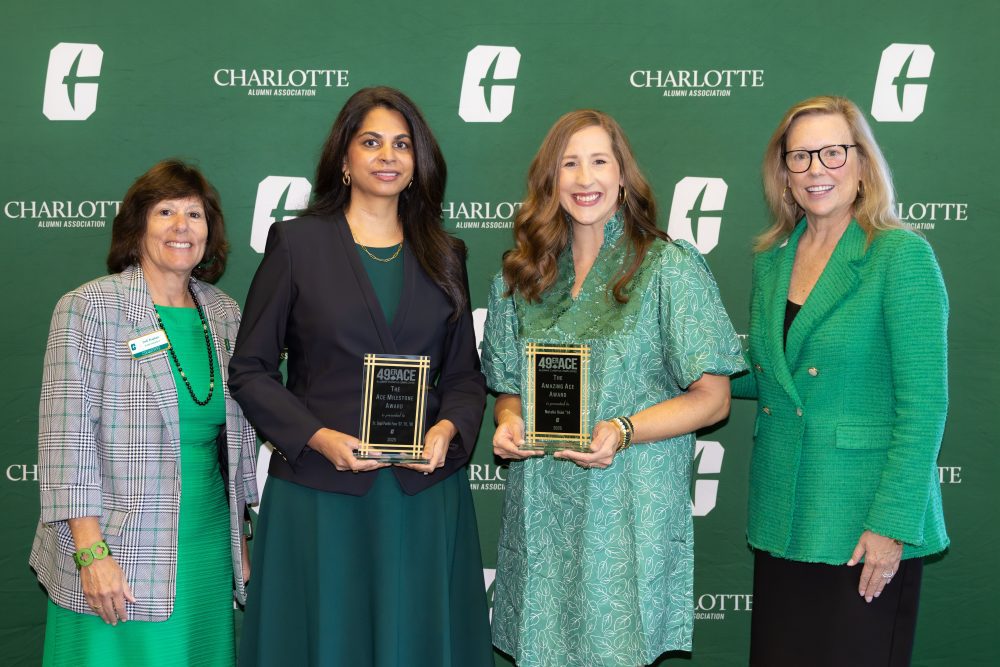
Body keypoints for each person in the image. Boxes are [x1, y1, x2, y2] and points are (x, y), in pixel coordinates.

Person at [228, 86, 493, 667]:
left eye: (402, 144)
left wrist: (448, 431)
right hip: (324, 496)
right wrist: (318, 438)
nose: (387, 156)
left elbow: (466, 379)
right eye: (370, 142)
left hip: (421, 499)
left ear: (418, 162)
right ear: (344, 159)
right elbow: (249, 369)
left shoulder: (446, 253)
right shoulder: (297, 244)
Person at [481, 109, 746, 666]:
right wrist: (507, 421)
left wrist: (623, 430)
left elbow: (713, 397)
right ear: (549, 181)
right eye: (568, 164)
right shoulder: (519, 277)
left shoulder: (666, 268)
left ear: (623, 175)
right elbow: (506, 387)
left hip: (625, 511)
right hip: (542, 513)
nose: (584, 179)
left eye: (599, 161)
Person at [732, 95, 949, 666]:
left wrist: (892, 524)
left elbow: (924, 404)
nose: (815, 169)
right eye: (799, 157)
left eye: (832, 152)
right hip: (785, 518)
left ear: (861, 164)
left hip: (863, 527)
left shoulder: (900, 256)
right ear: (783, 173)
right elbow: (770, 374)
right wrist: (686, 371)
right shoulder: (772, 262)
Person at [29, 159, 258, 665]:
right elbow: (65, 440)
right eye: (165, 212)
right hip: (116, 543)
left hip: (206, 538)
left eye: (194, 215)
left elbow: (236, 438)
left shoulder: (225, 312)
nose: (182, 226)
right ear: (137, 228)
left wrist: (239, 533)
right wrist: (90, 553)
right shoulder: (90, 307)